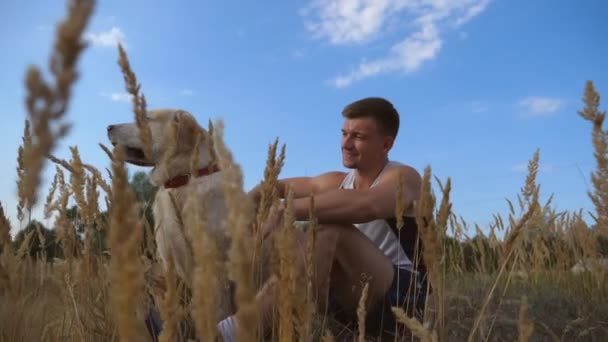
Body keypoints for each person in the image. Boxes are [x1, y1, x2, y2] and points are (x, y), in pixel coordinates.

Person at [215, 97, 428, 341]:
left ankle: (239, 331)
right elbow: (279, 186)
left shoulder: (404, 177)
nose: (346, 144)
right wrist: (245, 205)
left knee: (331, 228)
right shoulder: (338, 181)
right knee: (286, 237)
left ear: (386, 144)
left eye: (358, 136)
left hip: (399, 299)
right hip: (348, 298)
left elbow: (367, 205)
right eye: (344, 133)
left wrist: (287, 210)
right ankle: (271, 323)